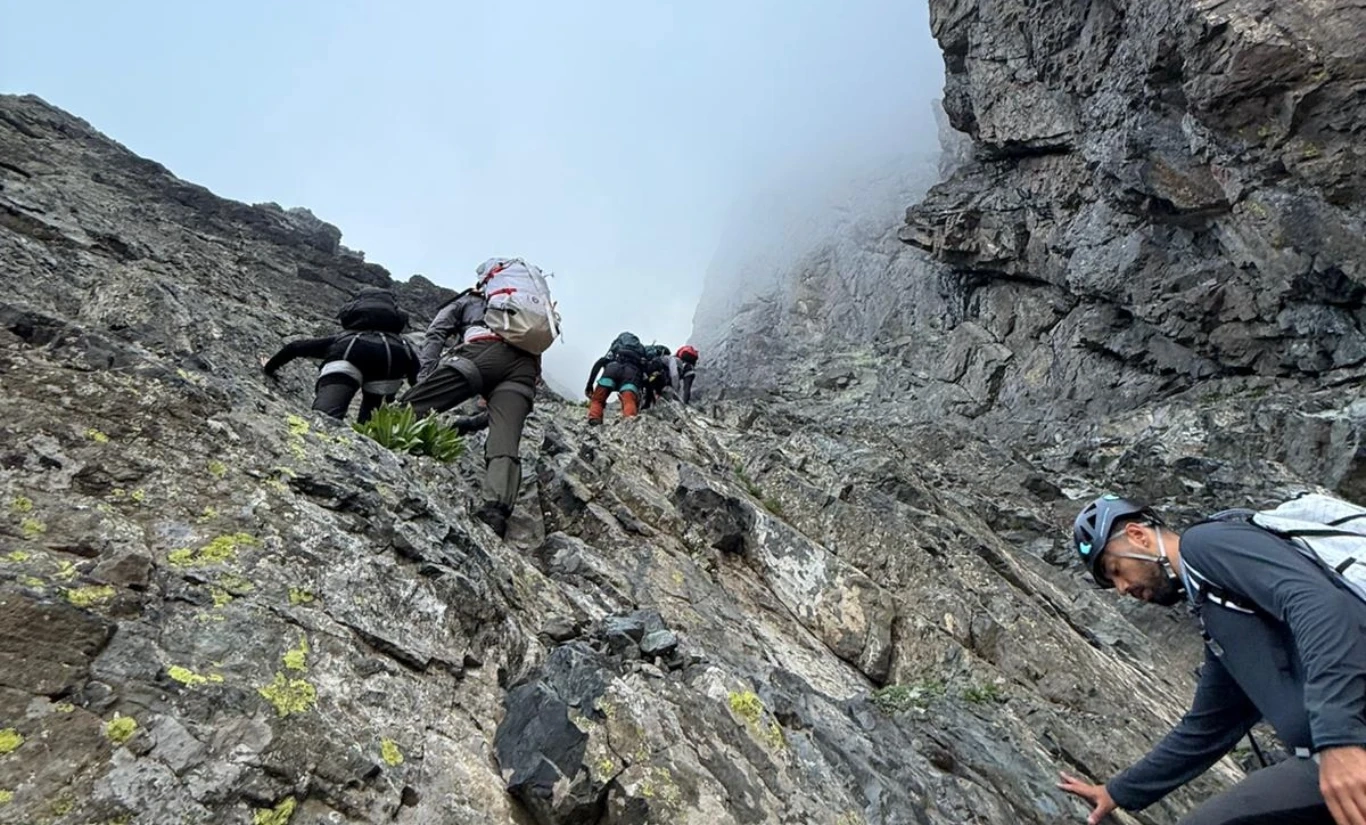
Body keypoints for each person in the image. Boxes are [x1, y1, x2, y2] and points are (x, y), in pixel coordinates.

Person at [1058, 494, 1366, 825]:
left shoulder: (1206, 544)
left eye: (1116, 570)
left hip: (1348, 747)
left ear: (1138, 535)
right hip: (1330, 759)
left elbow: (1319, 606)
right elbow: (1212, 722)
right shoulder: (1216, 611)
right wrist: (1119, 791)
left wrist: (1340, 739)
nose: (1122, 588)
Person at [401, 258, 558, 538]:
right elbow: (535, 346)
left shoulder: (470, 300)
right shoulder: (526, 311)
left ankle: (381, 444)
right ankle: (495, 512)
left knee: (412, 407)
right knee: (505, 442)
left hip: (481, 353)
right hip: (524, 370)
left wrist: (424, 378)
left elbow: (437, 332)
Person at [263, 287, 418, 423]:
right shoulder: (403, 345)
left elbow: (295, 347)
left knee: (325, 419)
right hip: (393, 359)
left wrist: (269, 366)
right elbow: (417, 378)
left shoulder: (345, 339)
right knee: (370, 424)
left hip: (348, 353)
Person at [584, 332, 648, 425]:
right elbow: (644, 372)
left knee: (598, 399)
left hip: (611, 369)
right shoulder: (640, 351)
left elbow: (600, 362)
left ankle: (594, 419)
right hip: (631, 373)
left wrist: (589, 385)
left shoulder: (616, 347)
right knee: (629, 400)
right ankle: (629, 423)